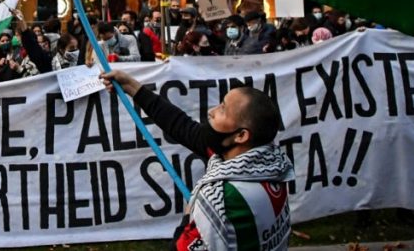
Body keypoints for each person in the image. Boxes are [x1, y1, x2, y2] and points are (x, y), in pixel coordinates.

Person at [102, 68, 293, 250]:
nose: (212, 111)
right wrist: (131, 86)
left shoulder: (223, 202)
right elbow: (182, 127)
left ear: (241, 136)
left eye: (223, 110)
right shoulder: (269, 166)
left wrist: (188, 215)